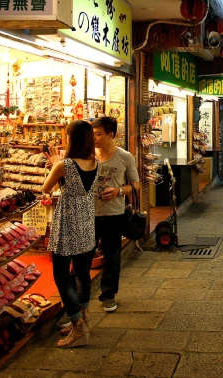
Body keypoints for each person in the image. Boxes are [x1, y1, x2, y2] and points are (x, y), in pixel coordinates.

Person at [41, 120, 98, 348]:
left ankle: (77, 327)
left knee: (62, 276)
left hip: (67, 222)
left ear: (72, 139)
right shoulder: (95, 162)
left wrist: (55, 163)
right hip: (86, 220)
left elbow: (47, 188)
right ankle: (83, 315)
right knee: (83, 272)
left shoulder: (64, 165)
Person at [88, 117, 142, 313]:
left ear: (110, 135)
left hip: (114, 214)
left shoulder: (125, 157)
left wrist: (118, 191)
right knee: (83, 257)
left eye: (98, 134)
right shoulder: (87, 155)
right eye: (92, 134)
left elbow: (136, 184)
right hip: (88, 214)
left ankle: (108, 295)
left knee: (112, 256)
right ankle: (79, 300)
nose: (94, 138)